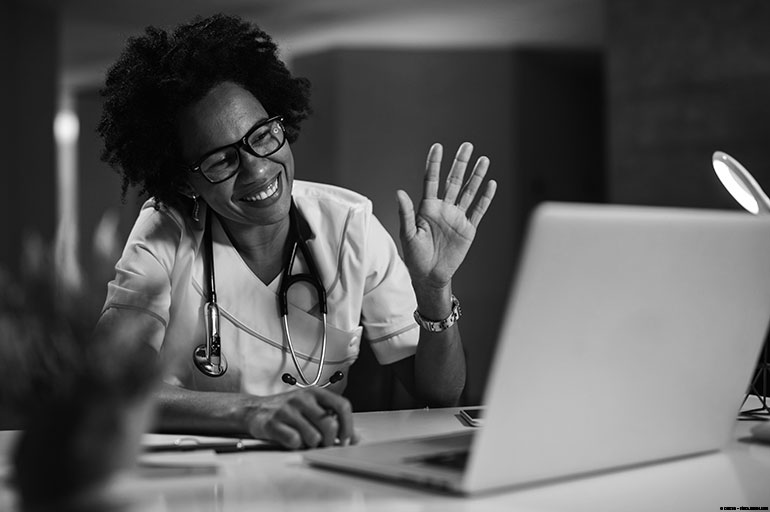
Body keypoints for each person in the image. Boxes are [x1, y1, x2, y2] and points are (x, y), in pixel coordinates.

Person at [95, 13, 497, 450]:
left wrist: (435, 289)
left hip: (316, 472)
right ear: (182, 182)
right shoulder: (163, 232)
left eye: (263, 136)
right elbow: (113, 388)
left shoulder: (349, 224)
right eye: (221, 160)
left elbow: (440, 396)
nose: (258, 168)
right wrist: (253, 413)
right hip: (199, 482)